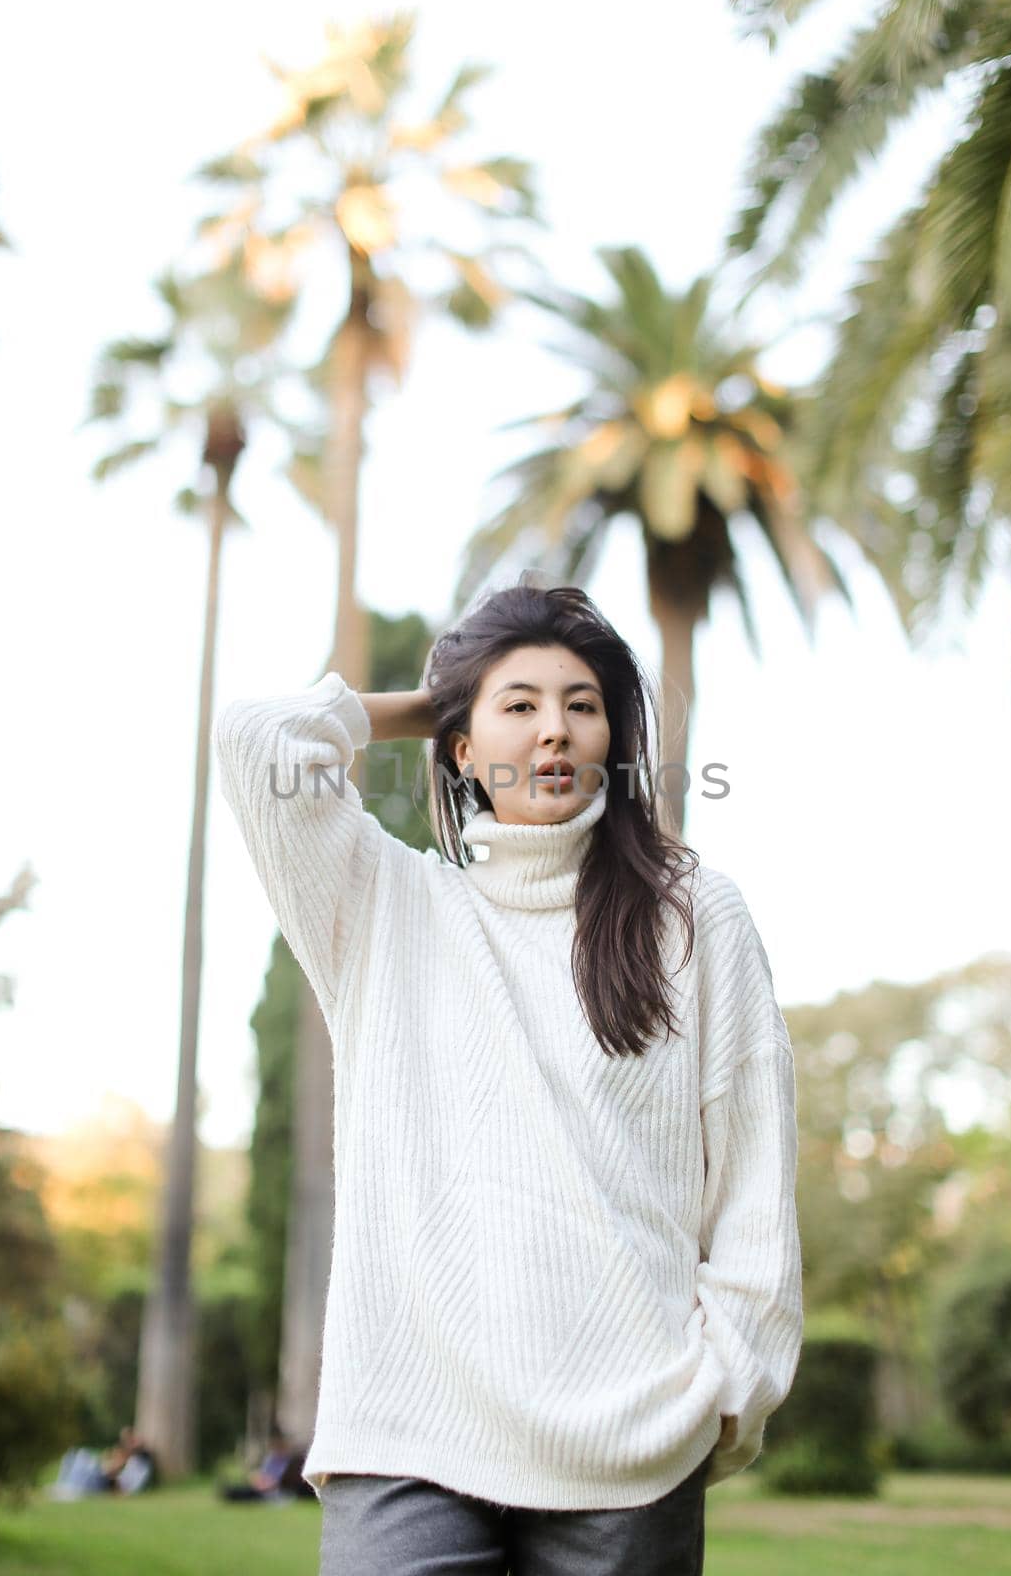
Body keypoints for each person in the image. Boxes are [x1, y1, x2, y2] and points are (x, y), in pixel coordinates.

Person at [212, 576, 803, 1574]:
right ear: (457, 746)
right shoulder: (387, 904)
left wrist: (725, 1387)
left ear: (614, 736)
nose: (554, 732)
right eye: (518, 707)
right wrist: (422, 703)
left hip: (630, 1444)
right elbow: (255, 738)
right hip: (404, 1432)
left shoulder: (694, 913)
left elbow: (750, 1170)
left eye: (581, 705)